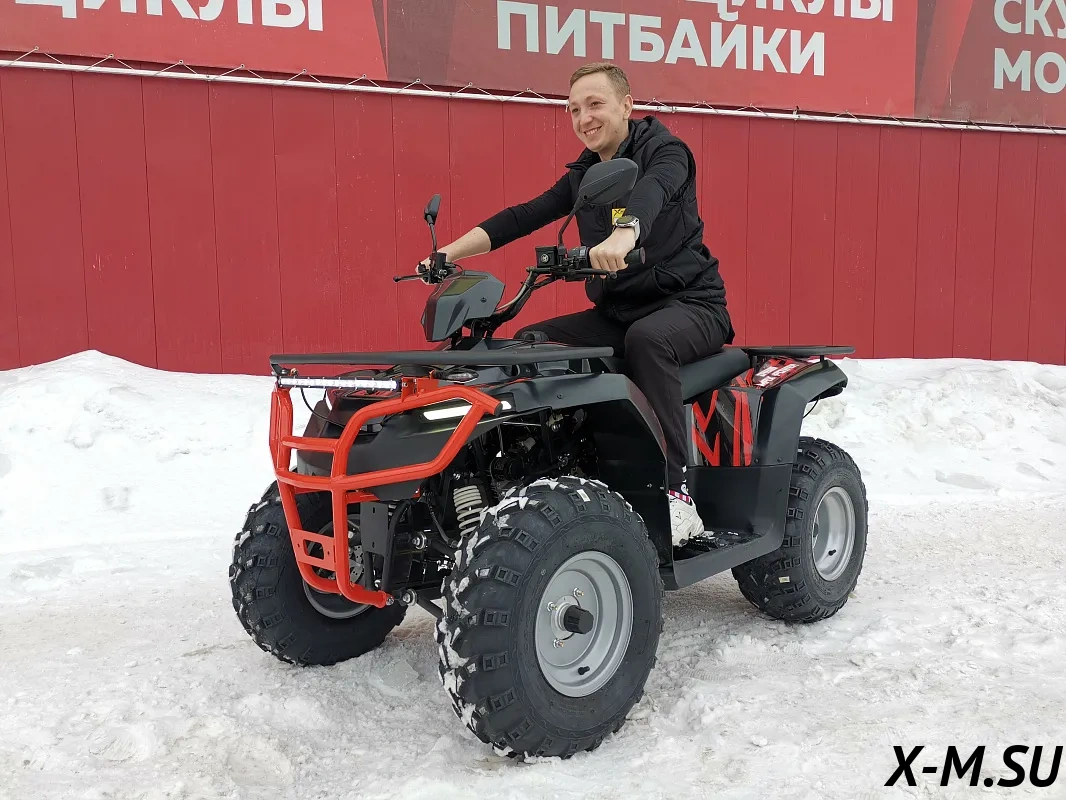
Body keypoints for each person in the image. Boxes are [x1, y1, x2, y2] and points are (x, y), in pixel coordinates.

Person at [421, 61, 734, 548]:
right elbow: (524, 216)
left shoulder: (666, 151)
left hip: (691, 305)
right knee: (532, 345)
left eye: (594, 104)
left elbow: (653, 193)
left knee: (648, 340)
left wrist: (624, 234)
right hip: (618, 313)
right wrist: (448, 253)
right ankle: (551, 473)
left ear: (626, 106)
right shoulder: (586, 175)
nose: (583, 118)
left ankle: (678, 493)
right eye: (573, 110)